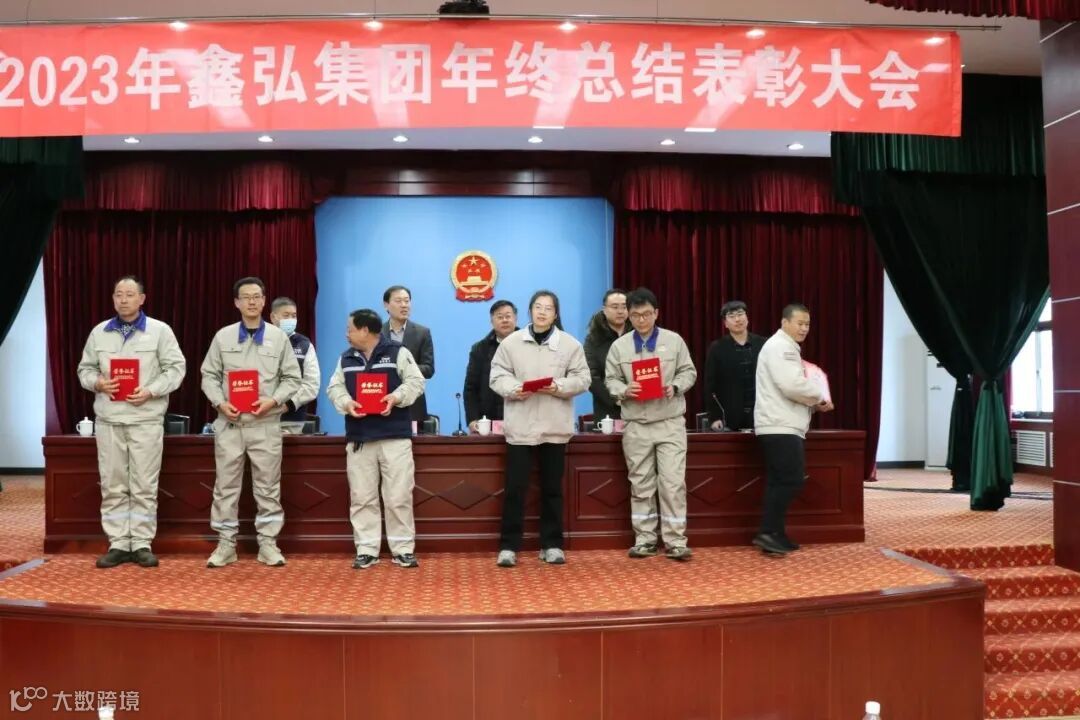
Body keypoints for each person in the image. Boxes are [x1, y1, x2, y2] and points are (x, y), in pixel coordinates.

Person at [77, 276, 187, 569]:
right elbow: (84, 369)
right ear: (113, 299)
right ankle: (117, 543)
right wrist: (98, 383)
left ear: (142, 299)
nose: (123, 299)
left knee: (143, 485)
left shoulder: (160, 331)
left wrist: (151, 390)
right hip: (109, 420)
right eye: (118, 294)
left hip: (145, 420)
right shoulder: (100, 332)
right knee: (113, 484)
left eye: (129, 294)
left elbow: (176, 369)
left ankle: (140, 543)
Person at [200, 277, 302, 568]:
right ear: (237, 303)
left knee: (268, 488)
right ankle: (225, 544)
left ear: (264, 300)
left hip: (265, 424)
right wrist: (220, 403)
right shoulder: (223, 337)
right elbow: (209, 376)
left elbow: (292, 378)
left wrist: (273, 400)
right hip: (230, 425)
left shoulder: (279, 338)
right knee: (225, 488)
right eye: (246, 297)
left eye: (257, 296)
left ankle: (268, 544)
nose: (252, 302)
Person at [489, 290, 590, 567]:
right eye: (537, 307)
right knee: (515, 489)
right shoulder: (511, 343)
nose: (542, 312)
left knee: (552, 489)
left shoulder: (570, 344)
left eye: (548, 308)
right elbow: (497, 376)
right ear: (530, 310)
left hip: (554, 425)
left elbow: (583, 378)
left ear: (556, 314)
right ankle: (508, 547)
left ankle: (552, 544)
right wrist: (514, 389)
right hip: (520, 426)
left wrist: (559, 386)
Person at [327, 308, 426, 569]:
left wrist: (396, 397)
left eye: (349, 329)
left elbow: (416, 382)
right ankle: (366, 549)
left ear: (364, 331)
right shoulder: (346, 358)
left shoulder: (397, 352)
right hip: (360, 439)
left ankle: (403, 549)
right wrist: (346, 403)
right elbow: (334, 387)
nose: (346, 334)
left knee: (398, 496)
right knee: (362, 497)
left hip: (395, 438)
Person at [605, 287, 697, 561]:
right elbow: (610, 379)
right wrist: (623, 390)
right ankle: (645, 539)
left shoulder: (674, 341)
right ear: (628, 316)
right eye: (636, 315)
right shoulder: (619, 347)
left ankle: (675, 541)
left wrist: (675, 386)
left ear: (656, 313)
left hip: (669, 422)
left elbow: (689, 371)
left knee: (672, 483)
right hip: (636, 424)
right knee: (641, 483)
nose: (642, 320)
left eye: (647, 314)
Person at [753, 303, 834, 557]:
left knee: (780, 480)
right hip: (780, 425)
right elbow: (792, 385)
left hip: (780, 423)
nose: (804, 328)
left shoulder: (784, 346)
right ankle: (768, 531)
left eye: (807, 324)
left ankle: (775, 533)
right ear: (784, 322)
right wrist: (820, 396)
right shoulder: (781, 347)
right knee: (791, 479)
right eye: (799, 323)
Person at [704, 301, 766, 431]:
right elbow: (710, 386)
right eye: (731, 316)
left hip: (762, 413)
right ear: (725, 323)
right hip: (730, 416)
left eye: (740, 314)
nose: (737, 319)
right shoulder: (717, 348)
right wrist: (714, 417)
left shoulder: (763, 344)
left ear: (747, 318)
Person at [381, 285, 435, 424]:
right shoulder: (377, 333)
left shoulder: (422, 333)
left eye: (407, 301)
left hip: (413, 404)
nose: (404, 305)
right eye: (398, 301)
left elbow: (429, 369)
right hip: (382, 401)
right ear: (386, 305)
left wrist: (403, 369)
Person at [463, 299, 518, 432]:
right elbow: (471, 388)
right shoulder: (480, 349)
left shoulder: (529, 345)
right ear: (492, 321)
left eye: (508, 316)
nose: (504, 320)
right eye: (500, 317)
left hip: (522, 418)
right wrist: (472, 419)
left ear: (515, 319)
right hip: (488, 420)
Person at [269, 296, 321, 434]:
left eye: (294, 316)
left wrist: (289, 404)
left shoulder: (304, 344)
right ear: (273, 317)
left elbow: (311, 384)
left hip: (293, 421)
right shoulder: (261, 341)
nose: (291, 319)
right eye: (286, 315)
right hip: (263, 418)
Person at [583, 288, 631, 423]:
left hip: (639, 408)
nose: (620, 311)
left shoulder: (636, 335)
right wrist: (615, 399)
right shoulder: (594, 339)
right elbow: (591, 377)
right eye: (615, 307)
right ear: (604, 309)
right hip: (607, 410)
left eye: (624, 307)